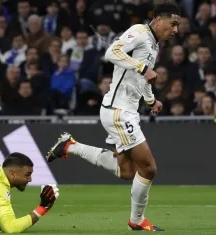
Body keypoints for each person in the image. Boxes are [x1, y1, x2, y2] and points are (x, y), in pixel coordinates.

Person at [46, 1, 181, 232]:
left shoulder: (154, 45)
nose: (175, 30)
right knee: (148, 168)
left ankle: (71, 146)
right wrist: (142, 67)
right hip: (119, 112)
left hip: (124, 111)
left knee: (127, 171)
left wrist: (150, 100)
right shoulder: (139, 31)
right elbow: (112, 52)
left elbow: (143, 78)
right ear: (159, 20)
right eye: (173, 23)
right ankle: (136, 221)